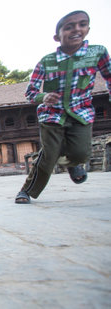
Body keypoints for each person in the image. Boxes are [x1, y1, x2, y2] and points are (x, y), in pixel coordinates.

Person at [15, 10, 111, 204]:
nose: (76, 29)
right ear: (57, 37)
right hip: (51, 115)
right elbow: (30, 93)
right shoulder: (46, 62)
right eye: (69, 27)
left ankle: (73, 164)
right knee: (49, 156)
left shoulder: (97, 53)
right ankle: (26, 191)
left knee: (81, 153)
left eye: (82, 24)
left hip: (81, 113)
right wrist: (43, 96)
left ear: (88, 29)